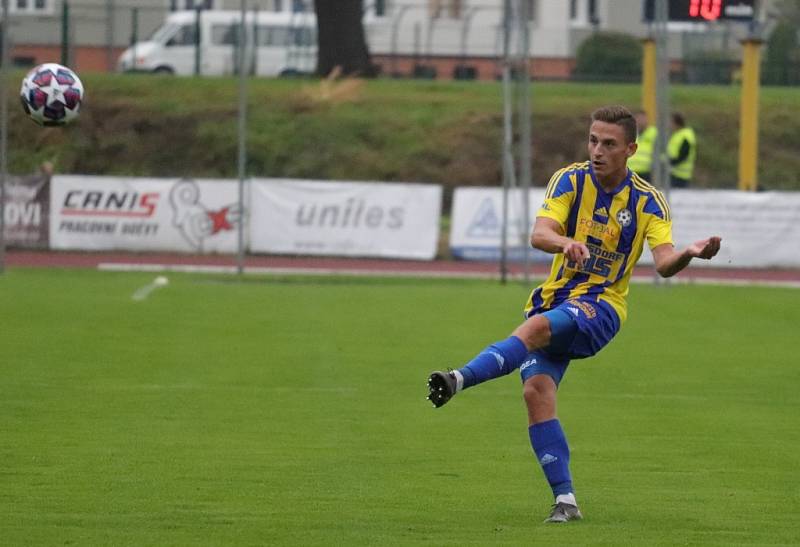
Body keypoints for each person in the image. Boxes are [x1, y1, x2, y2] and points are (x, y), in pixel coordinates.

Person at [426, 105, 721, 524]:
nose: (597, 150)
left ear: (631, 149)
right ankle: (566, 501)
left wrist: (689, 254)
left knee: (536, 328)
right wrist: (564, 243)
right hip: (555, 300)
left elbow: (663, 261)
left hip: (601, 308)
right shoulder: (570, 179)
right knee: (536, 393)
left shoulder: (648, 202)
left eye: (609, 144)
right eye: (593, 140)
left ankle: (458, 379)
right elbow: (539, 234)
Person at [668, 112, 697, 188]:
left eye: (670, 122)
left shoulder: (685, 135)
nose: (669, 125)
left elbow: (683, 155)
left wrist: (670, 163)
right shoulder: (677, 134)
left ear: (676, 123)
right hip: (674, 172)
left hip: (681, 174)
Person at [627, 110, 657, 182]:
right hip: (631, 171)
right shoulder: (629, 133)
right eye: (639, 119)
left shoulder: (654, 132)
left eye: (643, 119)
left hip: (647, 172)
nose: (641, 121)